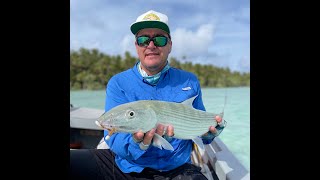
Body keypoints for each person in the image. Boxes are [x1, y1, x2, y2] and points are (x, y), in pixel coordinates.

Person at [70, 10, 226, 180]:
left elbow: (199, 126)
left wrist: (209, 134)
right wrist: (137, 144)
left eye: (159, 39)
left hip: (177, 169)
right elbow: (113, 139)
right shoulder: (118, 83)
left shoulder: (189, 81)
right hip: (128, 167)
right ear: (137, 46)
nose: (151, 45)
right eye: (143, 40)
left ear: (170, 45)